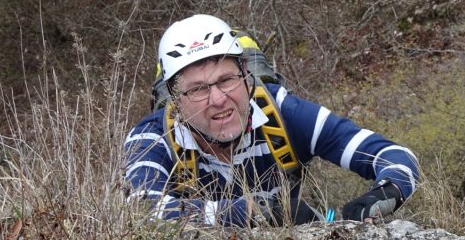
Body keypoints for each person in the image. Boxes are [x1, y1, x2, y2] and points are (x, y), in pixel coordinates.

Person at [124, 14, 419, 225]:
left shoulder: (282, 112)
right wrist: (255, 212)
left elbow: (394, 155)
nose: (218, 99)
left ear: (247, 76)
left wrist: (386, 192)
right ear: (175, 99)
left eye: (227, 80)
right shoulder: (153, 137)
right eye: (198, 90)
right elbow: (140, 208)